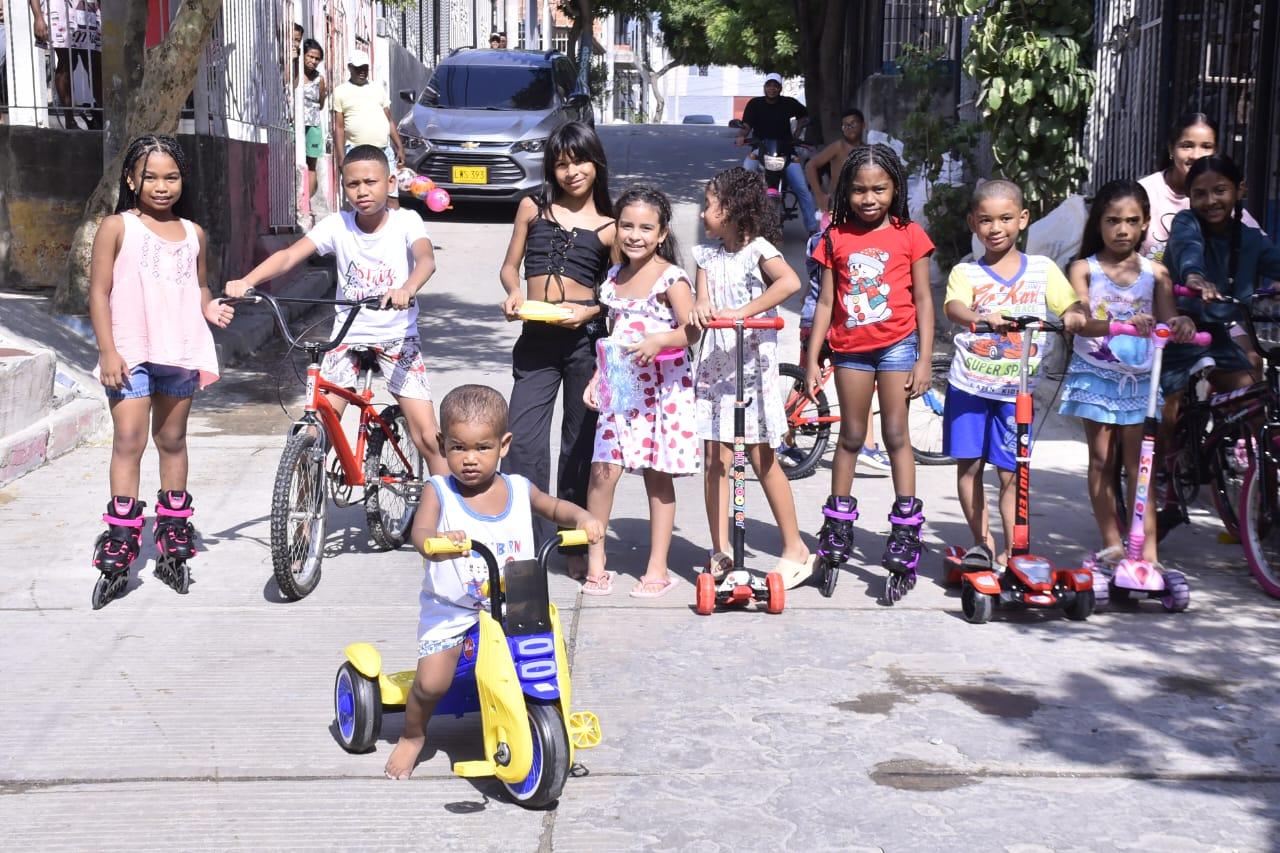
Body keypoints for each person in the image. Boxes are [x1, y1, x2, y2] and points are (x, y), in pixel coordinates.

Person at [384, 384, 604, 780]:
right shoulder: (440, 492)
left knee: (545, 666)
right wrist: (436, 545)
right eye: (458, 447)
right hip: (453, 612)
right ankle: (413, 735)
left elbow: (553, 507)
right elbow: (421, 531)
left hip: (513, 607)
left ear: (503, 446)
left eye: (482, 448)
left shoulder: (518, 489)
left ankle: (549, 732)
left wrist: (582, 519)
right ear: (441, 444)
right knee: (432, 682)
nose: (470, 459)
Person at [226, 145, 446, 475]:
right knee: (316, 431)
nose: (362, 191)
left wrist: (407, 289)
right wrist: (247, 280)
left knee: (428, 437)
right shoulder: (337, 225)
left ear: (389, 183)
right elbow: (288, 257)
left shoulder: (406, 221)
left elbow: (426, 259)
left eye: (371, 182)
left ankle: (449, 514)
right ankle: (303, 512)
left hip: (396, 338)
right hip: (346, 338)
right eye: (352, 184)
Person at [87, 135, 233, 582]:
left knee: (172, 441)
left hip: (180, 349)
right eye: (150, 177)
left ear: (182, 180)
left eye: (171, 177)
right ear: (132, 179)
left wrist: (208, 307)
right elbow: (98, 291)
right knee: (128, 441)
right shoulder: (117, 227)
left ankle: (172, 525)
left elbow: (199, 285)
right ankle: (122, 532)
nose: (161, 185)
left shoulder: (194, 234)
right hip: (130, 353)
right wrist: (108, 350)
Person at [805, 143, 936, 583]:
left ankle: (904, 528)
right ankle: (839, 524)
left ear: (894, 188)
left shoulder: (909, 234)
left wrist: (924, 359)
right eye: (860, 190)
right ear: (847, 191)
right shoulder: (835, 237)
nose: (869, 198)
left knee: (897, 435)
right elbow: (826, 301)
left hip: (898, 346)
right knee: (852, 436)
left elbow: (922, 299)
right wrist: (810, 359)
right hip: (850, 351)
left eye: (879, 189)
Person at [942, 180, 1085, 570]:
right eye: (985, 220)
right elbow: (954, 306)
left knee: (1012, 470)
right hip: (970, 384)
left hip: (1015, 392)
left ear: (1023, 219)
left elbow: (1070, 304)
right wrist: (980, 317)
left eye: (1005, 218)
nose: (995, 228)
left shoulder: (1042, 270)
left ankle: (1015, 549)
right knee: (969, 466)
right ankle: (981, 543)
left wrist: (1073, 314)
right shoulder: (966, 272)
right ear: (973, 223)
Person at [499, 122, 615, 580]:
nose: (571, 172)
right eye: (561, 164)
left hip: (585, 344)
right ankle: (527, 538)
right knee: (523, 440)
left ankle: (572, 541)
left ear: (596, 163)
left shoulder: (609, 226)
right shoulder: (533, 207)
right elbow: (510, 266)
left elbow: (619, 294)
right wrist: (512, 294)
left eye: (579, 162)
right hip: (536, 337)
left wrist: (588, 313)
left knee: (578, 443)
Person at [1058, 179, 1192, 569]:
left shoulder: (1156, 273)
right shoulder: (1083, 268)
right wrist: (1086, 317)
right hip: (1096, 374)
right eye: (1113, 220)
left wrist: (1181, 322)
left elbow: (1169, 318)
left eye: (1132, 221)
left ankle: (1146, 552)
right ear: (1098, 223)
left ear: (1146, 223)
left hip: (1140, 382)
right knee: (1101, 461)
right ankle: (1112, 542)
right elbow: (1081, 313)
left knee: (1141, 466)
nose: (1122, 230)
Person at [690, 166, 812, 587]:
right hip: (716, 369)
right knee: (715, 460)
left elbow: (789, 282)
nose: (703, 212)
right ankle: (720, 549)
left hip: (750, 368)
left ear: (733, 209)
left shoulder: (758, 249)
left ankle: (795, 546)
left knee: (762, 457)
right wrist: (702, 309)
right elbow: (702, 299)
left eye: (709, 204)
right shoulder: (705, 257)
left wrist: (743, 313)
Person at [581, 186, 700, 598]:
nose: (635, 235)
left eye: (646, 227)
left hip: (661, 391)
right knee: (603, 471)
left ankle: (658, 567)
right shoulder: (615, 277)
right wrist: (599, 378)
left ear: (662, 233)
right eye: (627, 225)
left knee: (656, 475)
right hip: (620, 385)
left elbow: (692, 329)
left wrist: (658, 342)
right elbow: (613, 333)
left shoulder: (672, 277)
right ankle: (596, 564)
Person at [1162, 155, 1280, 430]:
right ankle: (1164, 468)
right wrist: (1194, 277)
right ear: (1188, 196)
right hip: (1178, 328)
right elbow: (1188, 249)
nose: (1211, 201)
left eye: (1220, 191)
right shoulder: (1185, 221)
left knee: (1254, 398)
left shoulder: (1250, 239)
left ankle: (1245, 463)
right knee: (1167, 409)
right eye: (1200, 194)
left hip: (1217, 332)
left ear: (1240, 190)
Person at [797, 213, 890, 472]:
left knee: (804, 378)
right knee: (863, 378)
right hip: (831, 324)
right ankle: (868, 446)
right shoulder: (840, 246)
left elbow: (813, 282)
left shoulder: (814, 242)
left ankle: (786, 439)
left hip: (809, 320)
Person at [1138, 113, 1260, 264]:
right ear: (1171, 149)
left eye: (1206, 146)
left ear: (1216, 151)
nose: (1196, 155)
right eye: (1187, 146)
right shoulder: (1144, 191)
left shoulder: (1222, 198)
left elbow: (1260, 242)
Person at [735, 72, 819, 234]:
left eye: (775, 85)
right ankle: (740, 224)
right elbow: (746, 126)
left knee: (802, 188)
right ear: (764, 87)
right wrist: (741, 136)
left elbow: (805, 116)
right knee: (742, 180)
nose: (772, 88)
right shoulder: (755, 104)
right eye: (769, 85)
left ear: (780, 88)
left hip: (786, 151)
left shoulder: (789, 103)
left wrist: (799, 130)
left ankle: (812, 229)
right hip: (760, 149)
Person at [331, 50, 406, 210]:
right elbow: (339, 127)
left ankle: (395, 232)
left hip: (383, 151)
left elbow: (389, 119)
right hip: (356, 152)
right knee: (362, 198)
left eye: (365, 67)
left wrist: (399, 146)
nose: (362, 71)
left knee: (391, 197)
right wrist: (341, 157)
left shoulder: (378, 89)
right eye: (358, 68)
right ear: (350, 68)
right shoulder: (340, 92)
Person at [41, 0, 102, 128]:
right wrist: (37, 17)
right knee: (67, 64)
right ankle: (70, 120)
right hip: (61, 13)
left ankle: (103, 114)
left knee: (95, 66)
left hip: (89, 12)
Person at [804, 107, 866, 216]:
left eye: (853, 124)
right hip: (837, 204)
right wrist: (819, 196)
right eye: (845, 125)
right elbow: (810, 166)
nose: (848, 128)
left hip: (861, 205)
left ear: (863, 125)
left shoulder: (868, 150)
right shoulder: (838, 147)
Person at [298, 38, 328, 203]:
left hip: (314, 125)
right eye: (310, 57)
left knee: (311, 163)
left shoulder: (319, 79)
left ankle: (306, 203)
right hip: (295, 125)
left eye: (317, 59)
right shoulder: (295, 73)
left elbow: (321, 103)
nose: (313, 61)